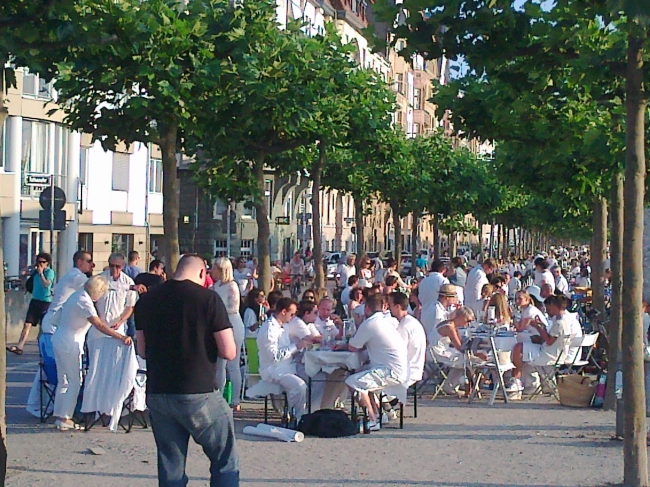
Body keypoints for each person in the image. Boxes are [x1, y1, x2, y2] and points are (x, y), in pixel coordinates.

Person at [135, 254, 239, 486]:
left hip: (159, 391)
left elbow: (141, 350)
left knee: (171, 465)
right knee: (224, 460)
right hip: (198, 389)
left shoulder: (147, 300)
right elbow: (229, 351)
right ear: (202, 273)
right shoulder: (208, 299)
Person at [52, 276, 131, 431]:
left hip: (60, 339)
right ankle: (65, 417)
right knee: (75, 381)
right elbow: (99, 325)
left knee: (64, 380)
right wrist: (120, 336)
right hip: (70, 342)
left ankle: (59, 415)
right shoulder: (85, 301)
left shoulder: (78, 295)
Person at [345, 294, 408, 431]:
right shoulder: (387, 320)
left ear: (367, 309)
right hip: (398, 367)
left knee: (352, 382)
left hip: (390, 371)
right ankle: (379, 415)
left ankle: (372, 420)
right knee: (362, 375)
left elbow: (353, 347)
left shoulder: (370, 323)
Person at [257, 297, 311, 421]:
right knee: (300, 386)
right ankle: (297, 418)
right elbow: (274, 356)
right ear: (283, 312)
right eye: (291, 314)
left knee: (315, 376)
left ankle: (312, 412)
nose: (293, 317)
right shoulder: (269, 329)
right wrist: (297, 346)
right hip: (273, 370)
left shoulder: (283, 326)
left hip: (287, 366)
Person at [510, 294, 574, 398]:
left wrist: (537, 327)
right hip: (555, 352)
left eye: (548, 308)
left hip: (549, 354)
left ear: (554, 306)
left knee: (518, 348)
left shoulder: (560, 323)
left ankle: (518, 382)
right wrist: (542, 326)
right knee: (524, 349)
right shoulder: (562, 319)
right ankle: (530, 383)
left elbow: (549, 341)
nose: (547, 310)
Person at [211, 257, 246, 411]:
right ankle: (218, 396)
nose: (212, 271)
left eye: (215, 268)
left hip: (233, 324)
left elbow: (233, 308)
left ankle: (236, 399)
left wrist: (217, 309)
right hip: (219, 325)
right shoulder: (215, 286)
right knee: (219, 365)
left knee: (233, 364)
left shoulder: (232, 286)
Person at [8, 252, 56, 355]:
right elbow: (22, 273)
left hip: (45, 302)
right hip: (35, 300)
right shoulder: (35, 272)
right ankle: (20, 346)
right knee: (27, 324)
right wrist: (31, 267)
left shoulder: (49, 272)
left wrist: (41, 273)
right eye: (38, 262)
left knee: (43, 326)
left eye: (42, 262)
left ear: (47, 263)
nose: (40, 264)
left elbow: (47, 284)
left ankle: (43, 348)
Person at [429, 306, 475, 395]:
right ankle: (458, 386)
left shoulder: (451, 324)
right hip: (436, 353)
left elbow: (459, 343)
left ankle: (452, 385)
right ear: (461, 317)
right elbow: (459, 347)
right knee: (465, 360)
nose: (468, 324)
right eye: (468, 321)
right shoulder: (449, 327)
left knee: (464, 358)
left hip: (439, 350)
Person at [388, 292, 426, 386]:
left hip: (408, 371)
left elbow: (397, 352)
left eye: (389, 305)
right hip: (413, 367)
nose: (388, 308)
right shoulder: (410, 321)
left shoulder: (405, 326)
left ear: (397, 307)